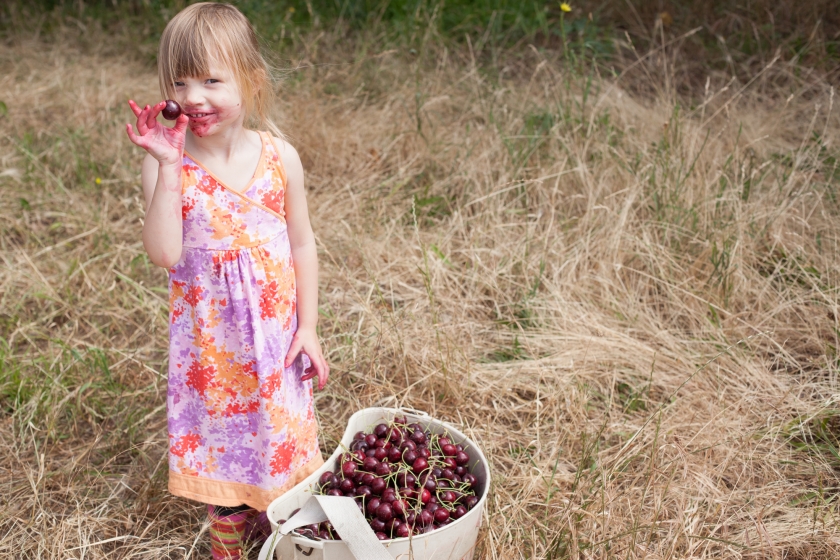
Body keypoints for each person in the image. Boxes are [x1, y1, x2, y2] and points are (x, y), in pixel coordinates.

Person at [125, 3, 329, 558]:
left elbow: (303, 243)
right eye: (179, 81)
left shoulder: (279, 158)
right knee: (224, 441)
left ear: (252, 80)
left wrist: (308, 326)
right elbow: (166, 254)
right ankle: (231, 527)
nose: (194, 97)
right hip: (211, 350)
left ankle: (281, 519)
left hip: (274, 339)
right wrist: (166, 168)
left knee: (278, 434)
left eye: (212, 80)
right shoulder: (167, 164)